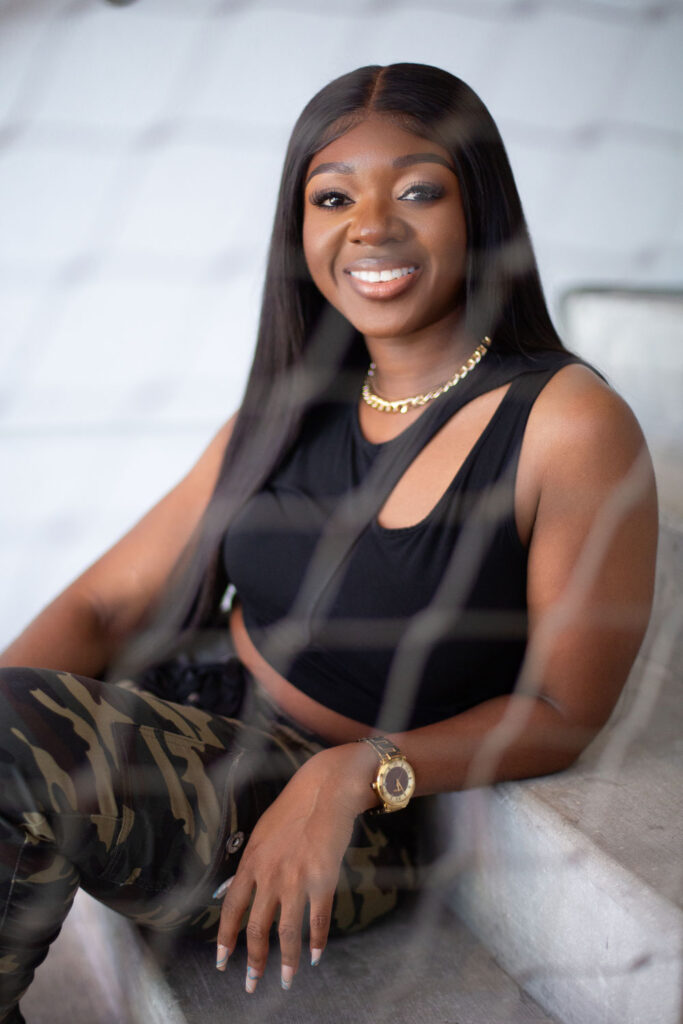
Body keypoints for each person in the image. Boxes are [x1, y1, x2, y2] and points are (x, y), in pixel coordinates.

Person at [0, 63, 657, 1019]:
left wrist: (353, 770)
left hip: (340, 808)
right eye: (333, 196)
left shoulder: (567, 422)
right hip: (185, 707)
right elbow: (104, 605)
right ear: (299, 227)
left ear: (480, 208)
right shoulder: (291, 406)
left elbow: (563, 707)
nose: (370, 227)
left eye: (418, 190)